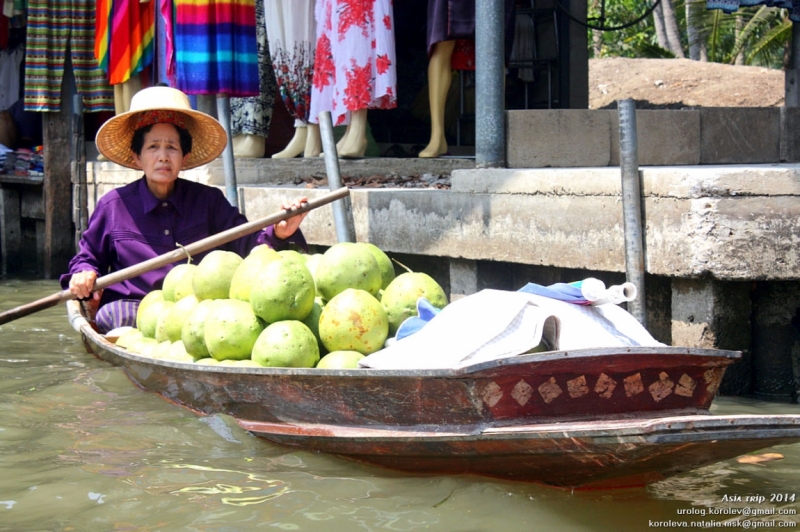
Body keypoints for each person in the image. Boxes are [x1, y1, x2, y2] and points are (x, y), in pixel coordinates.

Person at [61, 86, 309, 333]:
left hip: (197, 313)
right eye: (153, 147)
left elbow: (248, 244)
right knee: (111, 316)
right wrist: (84, 274)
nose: (163, 156)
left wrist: (280, 233)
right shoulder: (113, 206)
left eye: (172, 147)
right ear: (137, 157)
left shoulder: (209, 201)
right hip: (134, 310)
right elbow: (87, 258)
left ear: (185, 157)